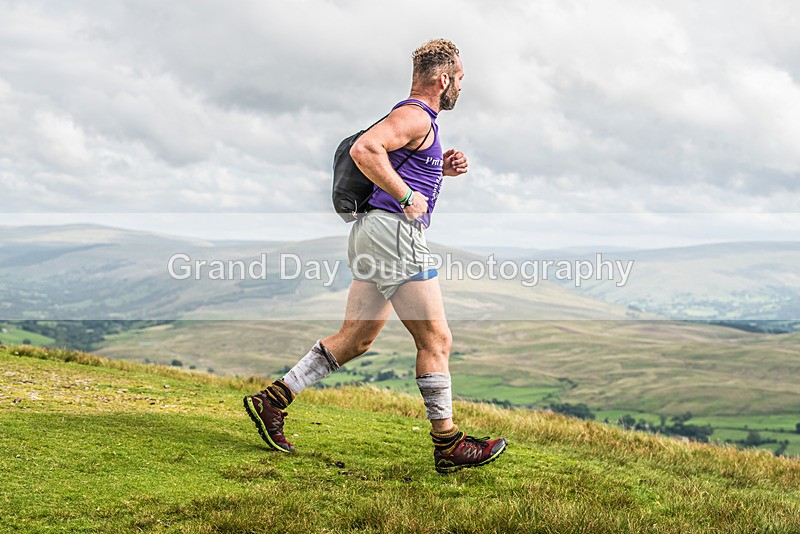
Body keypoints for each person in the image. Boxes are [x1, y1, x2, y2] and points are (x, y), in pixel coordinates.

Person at [244, 39, 507, 473]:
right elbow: (365, 150)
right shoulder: (414, 115)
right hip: (394, 235)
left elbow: (396, 162)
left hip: (371, 233)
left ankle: (272, 401)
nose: (461, 84)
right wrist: (406, 195)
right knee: (436, 340)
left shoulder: (415, 120)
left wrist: (439, 170)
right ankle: (448, 444)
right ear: (443, 79)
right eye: (459, 78)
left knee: (356, 338)